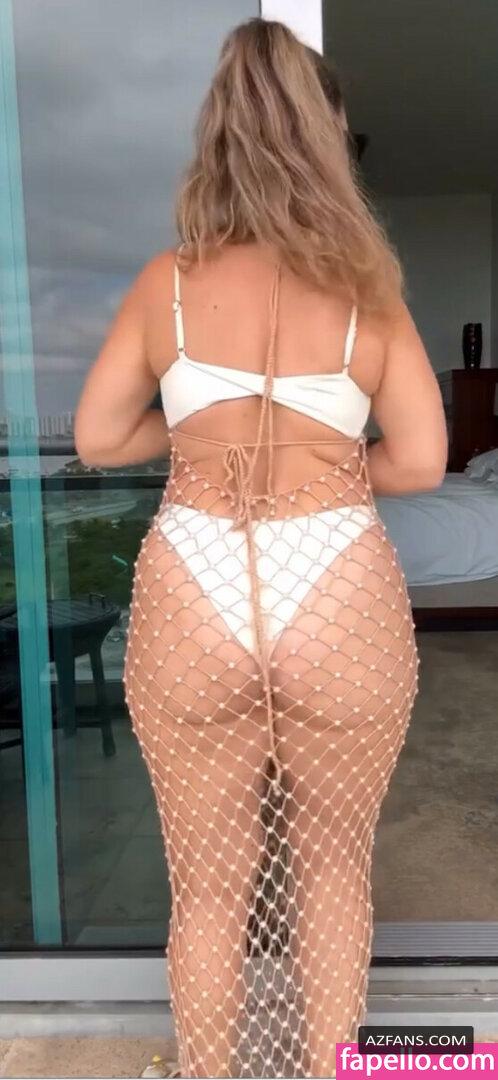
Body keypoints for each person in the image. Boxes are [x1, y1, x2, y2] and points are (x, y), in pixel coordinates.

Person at [75, 18, 447, 1079]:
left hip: (196, 578)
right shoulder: (368, 290)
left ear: (219, 138)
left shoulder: (168, 283)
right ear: (329, 142)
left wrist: (197, 440)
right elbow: (423, 461)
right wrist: (325, 463)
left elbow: (98, 438)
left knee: (206, 892)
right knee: (332, 873)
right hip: (333, 584)